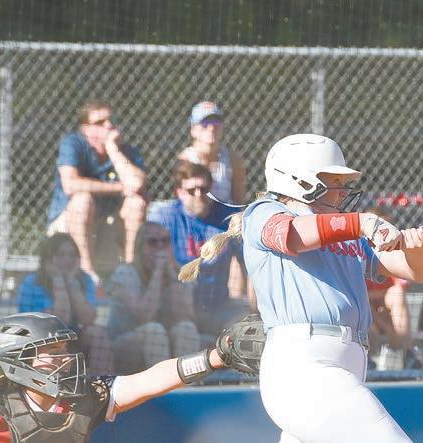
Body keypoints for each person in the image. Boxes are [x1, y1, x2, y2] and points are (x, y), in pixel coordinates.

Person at [181, 134, 423, 442]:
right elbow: (291, 236)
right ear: (299, 181)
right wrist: (361, 222)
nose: (343, 191)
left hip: (343, 366)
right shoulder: (265, 211)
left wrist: (417, 248)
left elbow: (418, 272)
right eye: (333, 181)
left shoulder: (342, 229)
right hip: (305, 366)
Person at [0, 312, 225, 443]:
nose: (65, 359)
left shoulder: (84, 396)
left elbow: (150, 380)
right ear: (18, 360)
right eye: (53, 352)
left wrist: (216, 357)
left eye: (64, 350)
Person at [46, 100, 147, 281]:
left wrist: (112, 149)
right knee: (82, 201)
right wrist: (119, 187)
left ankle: (130, 272)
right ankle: (86, 274)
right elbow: (70, 184)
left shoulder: (124, 151)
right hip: (69, 226)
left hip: (107, 228)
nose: (108, 126)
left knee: (136, 203)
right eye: (100, 123)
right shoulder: (73, 143)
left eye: (111, 121)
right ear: (85, 129)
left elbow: (137, 184)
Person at [148, 161, 250, 338]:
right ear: (178, 192)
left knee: (245, 322)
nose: (199, 195)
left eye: (204, 189)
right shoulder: (164, 217)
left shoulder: (227, 217)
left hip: (218, 307)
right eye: (191, 190)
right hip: (176, 310)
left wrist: (253, 304)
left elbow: (250, 264)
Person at [106, 222, 200, 374]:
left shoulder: (181, 272)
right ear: (140, 248)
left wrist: (172, 275)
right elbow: (145, 317)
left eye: (165, 241)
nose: (160, 246)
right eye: (152, 242)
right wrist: (158, 272)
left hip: (165, 344)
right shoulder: (126, 272)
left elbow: (186, 316)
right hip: (123, 346)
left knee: (186, 329)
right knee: (154, 331)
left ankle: (189, 386)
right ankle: (162, 385)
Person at [17, 233, 114, 375]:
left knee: (99, 334)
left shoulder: (84, 279)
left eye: (71, 255)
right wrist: (58, 281)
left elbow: (88, 318)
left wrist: (72, 283)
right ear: (48, 259)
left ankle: (102, 382)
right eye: (60, 255)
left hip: (73, 338)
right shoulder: (32, 282)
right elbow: (59, 322)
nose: (67, 260)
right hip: (41, 342)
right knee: (55, 341)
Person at [364, 207, 423, 370]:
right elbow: (362, 294)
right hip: (367, 312)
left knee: (396, 293)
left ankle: (408, 353)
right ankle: (367, 360)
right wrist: (386, 327)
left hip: (387, 312)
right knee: (364, 300)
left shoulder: (395, 249)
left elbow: (399, 287)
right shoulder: (359, 247)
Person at [177, 101, 247, 204]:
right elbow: (182, 201)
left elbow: (239, 202)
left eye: (216, 122)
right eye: (205, 123)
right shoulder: (185, 160)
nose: (211, 128)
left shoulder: (233, 159)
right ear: (193, 130)